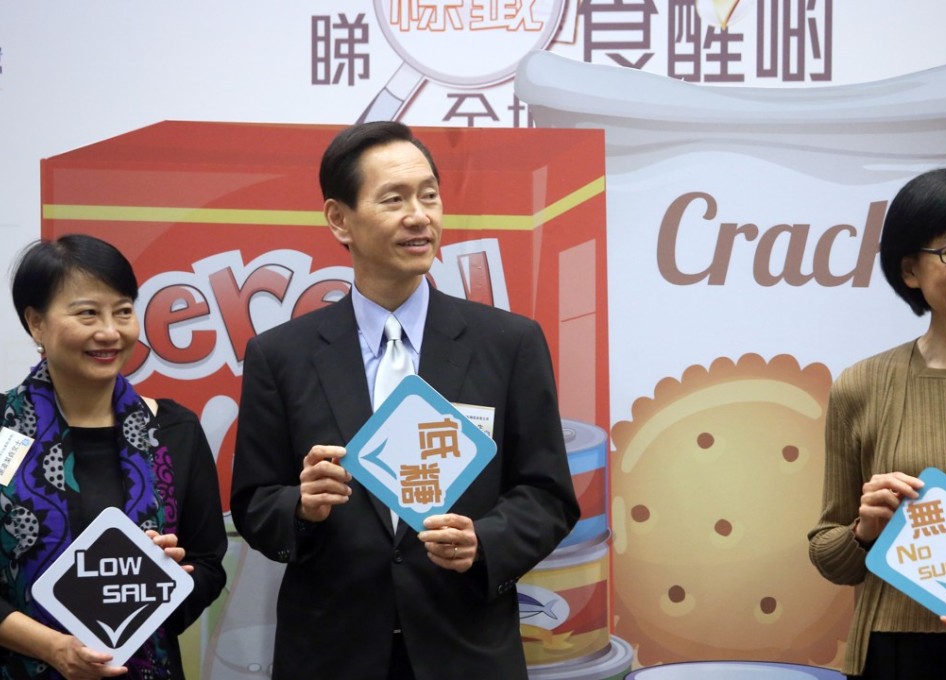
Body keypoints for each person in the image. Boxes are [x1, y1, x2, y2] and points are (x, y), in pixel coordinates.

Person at [229, 121, 579, 679]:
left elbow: (548, 495)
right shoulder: (281, 355)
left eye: (429, 196)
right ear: (339, 219)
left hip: (465, 652)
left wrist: (484, 541)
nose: (419, 216)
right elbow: (253, 503)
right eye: (394, 199)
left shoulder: (508, 343)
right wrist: (301, 505)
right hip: (332, 655)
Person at [808, 168, 946, 678]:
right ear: (909, 270)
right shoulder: (862, 385)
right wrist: (864, 531)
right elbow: (830, 555)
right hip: (896, 651)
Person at [0, 234, 227, 679]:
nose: (110, 332)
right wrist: (54, 648)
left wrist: (164, 580)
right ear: (36, 323)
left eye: (123, 311)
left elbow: (207, 564)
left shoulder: (175, 430)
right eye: (87, 313)